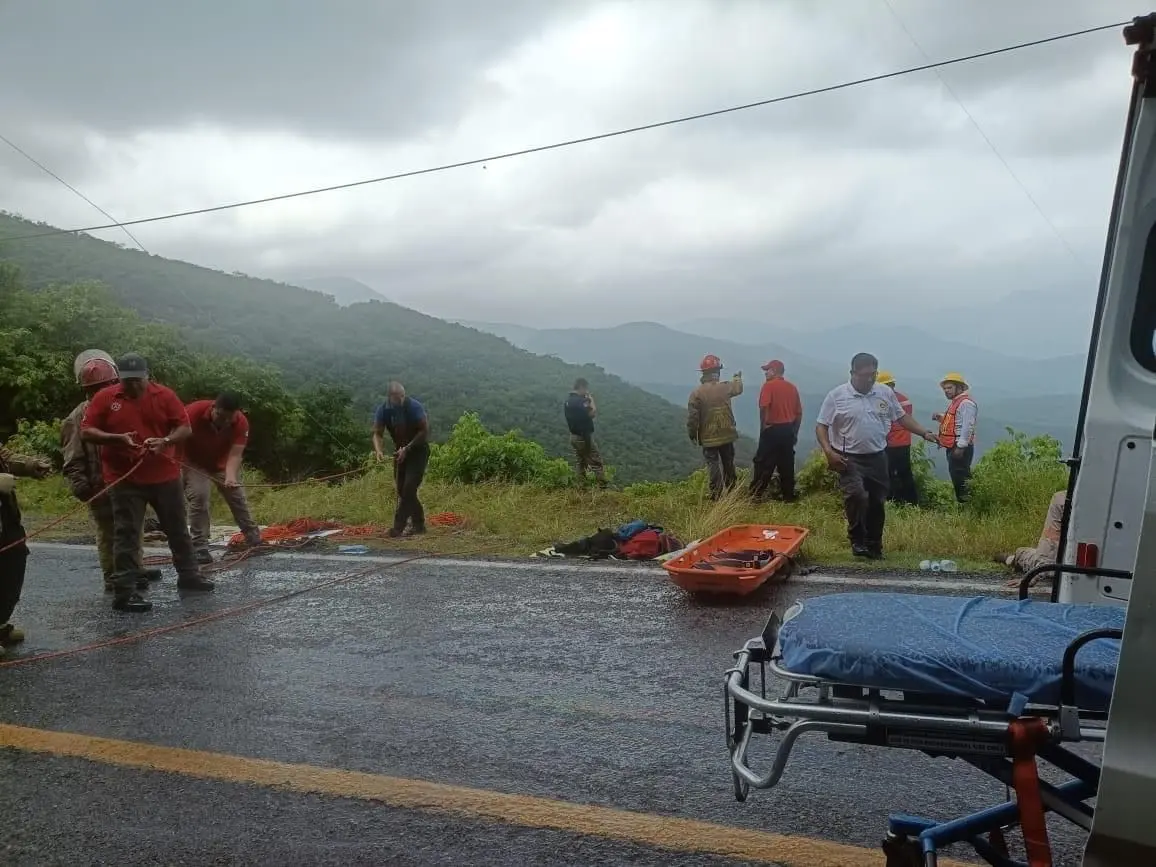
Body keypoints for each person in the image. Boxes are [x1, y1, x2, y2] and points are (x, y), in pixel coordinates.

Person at [80, 352, 214, 612]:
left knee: (176, 528)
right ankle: (125, 592)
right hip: (124, 478)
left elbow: (184, 428)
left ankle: (189, 576)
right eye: (127, 380)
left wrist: (165, 441)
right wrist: (116, 439)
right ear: (119, 378)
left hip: (164, 475)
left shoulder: (164, 396)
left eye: (137, 380)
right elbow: (87, 432)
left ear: (147, 376)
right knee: (126, 534)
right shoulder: (105, 398)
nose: (132, 385)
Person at [816, 353, 938, 559]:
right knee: (856, 495)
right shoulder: (837, 396)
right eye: (865, 375)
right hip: (848, 457)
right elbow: (821, 425)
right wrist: (828, 452)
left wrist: (924, 433)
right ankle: (857, 539)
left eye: (874, 374)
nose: (870, 379)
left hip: (878, 456)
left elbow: (901, 417)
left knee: (876, 501)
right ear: (853, 373)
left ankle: (874, 544)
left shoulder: (884, 393)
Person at [61, 352, 162, 592]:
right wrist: (83, 487)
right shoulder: (76, 418)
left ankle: (134, 568)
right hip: (99, 485)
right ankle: (113, 577)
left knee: (132, 527)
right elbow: (72, 457)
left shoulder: (122, 407)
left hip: (128, 482)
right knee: (109, 533)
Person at [182, 391, 264, 564]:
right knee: (199, 496)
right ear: (213, 408)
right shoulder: (192, 412)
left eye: (229, 418)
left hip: (221, 462)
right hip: (193, 462)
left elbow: (235, 455)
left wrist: (231, 477)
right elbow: (177, 436)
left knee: (236, 496)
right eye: (221, 416)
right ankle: (199, 546)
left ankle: (253, 537)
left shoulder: (240, 422)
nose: (225, 421)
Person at [0, 442, 51, 657]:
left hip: (5, 517)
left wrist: (30, 465)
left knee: (13, 562)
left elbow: (4, 456)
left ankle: (0, 624)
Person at [372, 381, 431, 537]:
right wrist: (379, 451)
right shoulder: (383, 410)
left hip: (418, 450)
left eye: (403, 396)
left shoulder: (414, 407)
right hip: (400, 452)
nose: (401, 400)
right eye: (397, 397)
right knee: (402, 490)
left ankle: (397, 528)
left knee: (409, 487)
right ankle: (419, 525)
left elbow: (424, 431)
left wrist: (408, 448)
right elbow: (377, 433)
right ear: (390, 397)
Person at [687, 355, 743, 500]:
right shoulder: (725, 387)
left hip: (709, 436)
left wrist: (692, 434)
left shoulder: (696, 393)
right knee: (728, 462)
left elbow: (693, 418)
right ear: (717, 372)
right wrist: (737, 377)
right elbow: (738, 388)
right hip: (727, 433)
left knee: (713, 464)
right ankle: (731, 492)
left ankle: (716, 495)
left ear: (703, 373)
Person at [748, 359, 803, 502]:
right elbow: (798, 413)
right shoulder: (792, 388)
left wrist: (763, 428)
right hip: (788, 430)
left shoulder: (768, 386)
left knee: (763, 463)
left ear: (775, 371)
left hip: (772, 429)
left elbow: (764, 407)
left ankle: (755, 496)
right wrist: (794, 433)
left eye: (768, 370)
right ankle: (788, 497)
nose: (766, 373)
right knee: (786, 464)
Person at [995, 490, 1066, 583]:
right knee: (1033, 558)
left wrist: (1036, 575)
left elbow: (1050, 546)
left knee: (1032, 558)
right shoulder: (1064, 500)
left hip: (1063, 561)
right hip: (1066, 560)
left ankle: (1013, 558)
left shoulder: (1062, 499)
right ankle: (1013, 558)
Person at [933, 372, 978, 503]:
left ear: (959, 387)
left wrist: (961, 446)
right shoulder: (957, 402)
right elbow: (955, 422)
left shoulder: (966, 403)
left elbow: (967, 426)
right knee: (958, 477)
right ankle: (967, 503)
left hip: (959, 447)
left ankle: (967, 505)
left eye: (950, 388)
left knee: (961, 478)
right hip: (953, 445)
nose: (946, 391)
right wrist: (940, 418)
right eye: (945, 388)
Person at [875, 371, 918, 506]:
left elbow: (882, 423)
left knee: (888, 473)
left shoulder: (884, 400)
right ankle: (912, 502)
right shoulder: (905, 399)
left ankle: (893, 500)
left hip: (890, 442)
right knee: (905, 473)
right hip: (905, 441)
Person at [563, 378, 607, 488]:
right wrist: (591, 399)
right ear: (582, 387)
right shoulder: (580, 402)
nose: (586, 391)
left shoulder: (568, 401)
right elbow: (592, 413)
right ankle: (601, 488)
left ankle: (580, 487)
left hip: (574, 436)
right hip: (583, 437)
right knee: (596, 461)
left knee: (580, 462)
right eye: (586, 389)